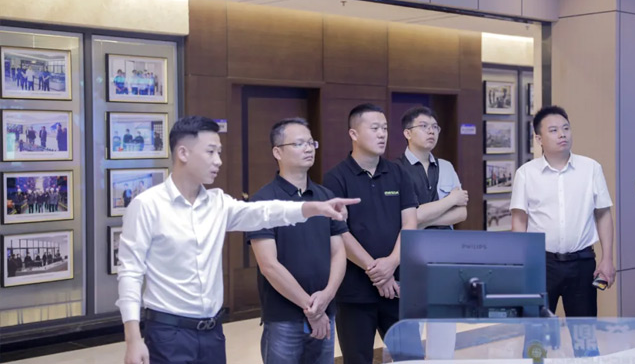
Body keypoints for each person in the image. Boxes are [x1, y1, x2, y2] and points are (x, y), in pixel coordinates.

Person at [117, 115, 359, 364]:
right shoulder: (147, 205)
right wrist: (133, 339)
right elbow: (130, 273)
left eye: (219, 152)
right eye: (210, 152)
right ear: (183, 153)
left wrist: (314, 208)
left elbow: (264, 213)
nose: (218, 161)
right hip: (168, 332)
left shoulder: (217, 202)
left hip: (212, 332)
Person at [322, 104, 420, 364]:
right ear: (353, 134)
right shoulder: (335, 179)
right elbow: (340, 233)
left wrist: (391, 263)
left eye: (385, 128)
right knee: (357, 359)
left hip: (398, 289)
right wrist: (376, 272)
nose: (382, 134)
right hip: (354, 293)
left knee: (411, 357)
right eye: (374, 128)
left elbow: (410, 222)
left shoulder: (398, 173)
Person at [247, 118, 347, 364]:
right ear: (277, 152)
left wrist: (327, 296)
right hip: (283, 318)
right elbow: (269, 265)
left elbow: (338, 253)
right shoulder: (262, 201)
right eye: (299, 143)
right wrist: (311, 309)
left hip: (326, 310)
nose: (308, 148)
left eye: (311, 143)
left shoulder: (325, 197)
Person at [510, 105, 615, 318]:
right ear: (539, 139)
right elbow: (519, 222)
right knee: (536, 329)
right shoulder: (526, 174)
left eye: (566, 128)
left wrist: (607, 258)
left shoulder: (591, 168)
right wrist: (522, 264)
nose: (562, 134)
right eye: (554, 130)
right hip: (541, 264)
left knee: (584, 330)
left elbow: (603, 214)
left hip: (582, 262)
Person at [396, 106, 468, 230]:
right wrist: (451, 200)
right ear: (408, 133)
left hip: (445, 239)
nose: (431, 131)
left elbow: (461, 213)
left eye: (435, 127)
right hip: (413, 240)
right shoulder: (396, 169)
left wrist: (424, 222)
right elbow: (406, 216)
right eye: (424, 126)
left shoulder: (446, 166)